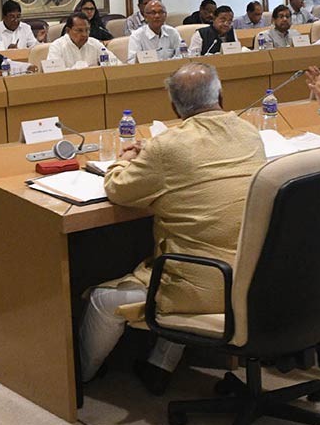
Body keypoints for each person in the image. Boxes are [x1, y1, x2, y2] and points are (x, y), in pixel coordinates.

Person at [79, 63, 266, 394]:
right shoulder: (249, 133)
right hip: (256, 276)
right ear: (221, 96)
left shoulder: (167, 146)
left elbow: (118, 190)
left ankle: (81, 379)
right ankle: (160, 365)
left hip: (204, 286)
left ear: (173, 108)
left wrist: (125, 159)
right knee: (195, 244)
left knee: (102, 299)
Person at [46, 12, 122, 69]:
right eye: (79, 30)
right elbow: (54, 73)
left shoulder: (94, 43)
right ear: (68, 30)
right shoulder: (57, 46)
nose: (84, 34)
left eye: (87, 30)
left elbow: (116, 63)